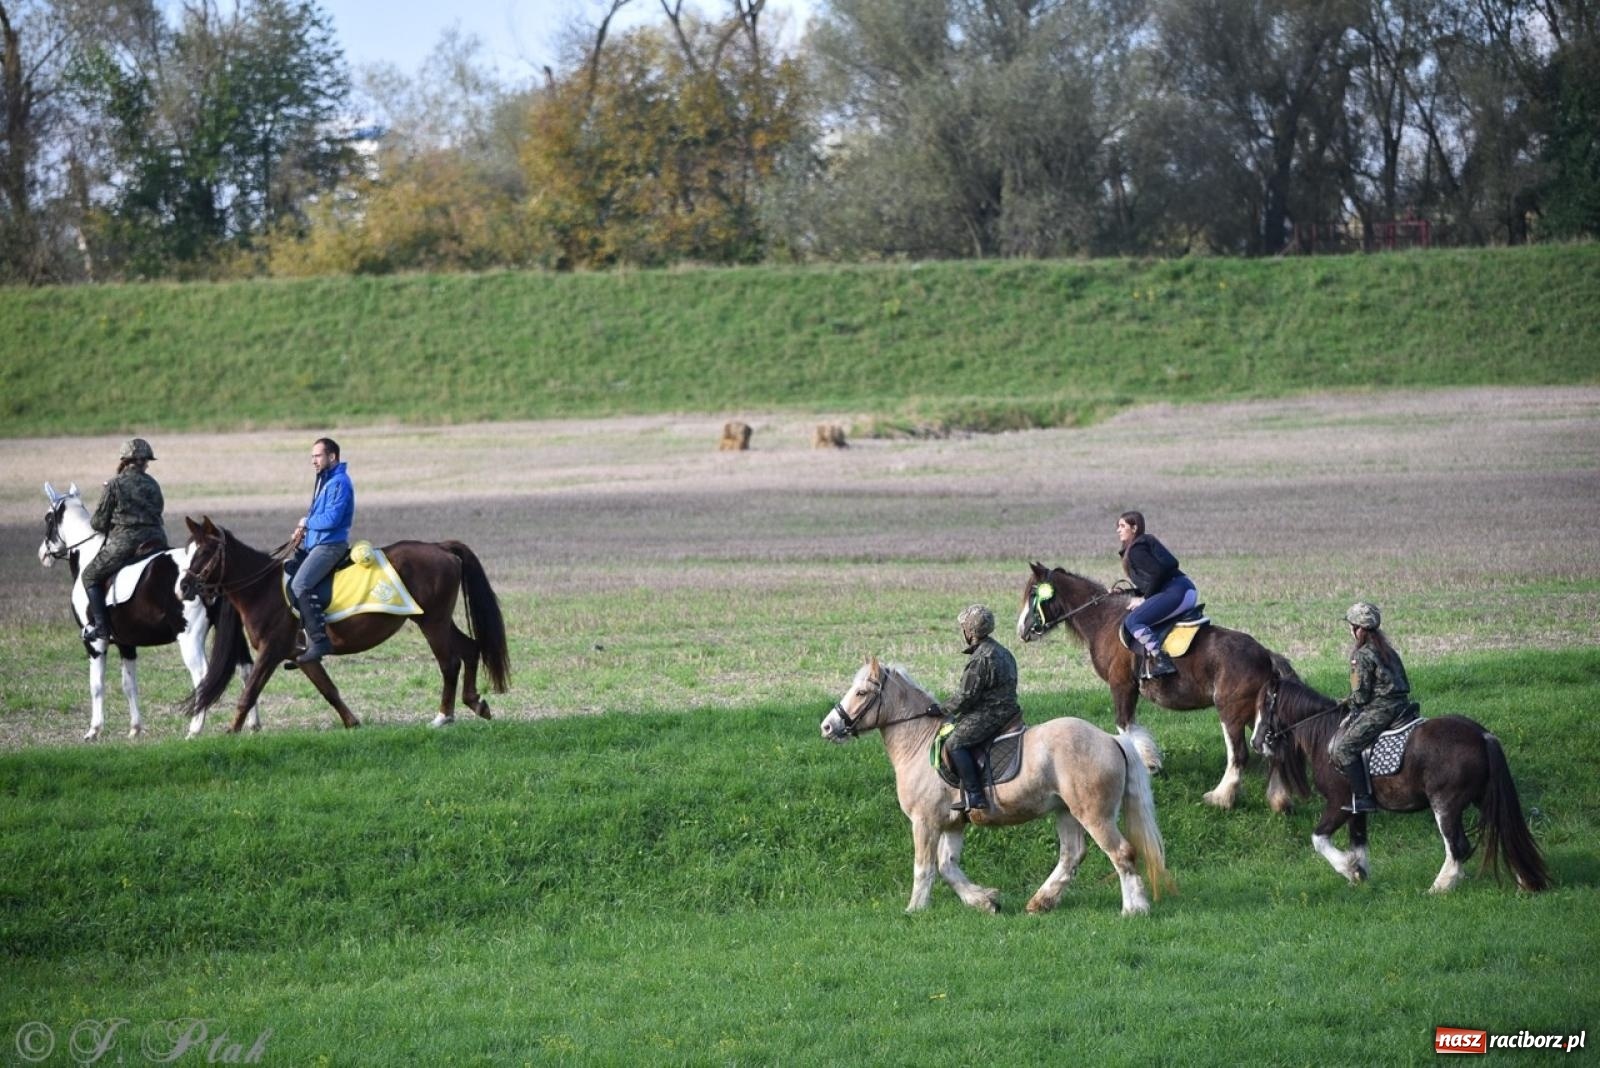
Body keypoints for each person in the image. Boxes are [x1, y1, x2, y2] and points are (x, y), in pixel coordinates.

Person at [931, 605, 1024, 813]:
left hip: (991, 714)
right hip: (1010, 710)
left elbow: (966, 697)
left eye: (964, 628)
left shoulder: (980, 658)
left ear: (970, 632)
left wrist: (941, 709)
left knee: (955, 743)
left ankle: (975, 795)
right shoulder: (1003, 651)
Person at [1327, 602, 1414, 814]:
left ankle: (1363, 798)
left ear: (1359, 629)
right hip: (1403, 705)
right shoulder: (1388, 651)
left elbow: (1361, 695)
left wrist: (1349, 702)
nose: (1350, 630)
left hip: (1381, 710)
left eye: (1351, 626)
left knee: (1344, 748)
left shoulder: (1361, 656)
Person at [80, 438, 168, 642]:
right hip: (157, 538)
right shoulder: (154, 484)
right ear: (146, 461)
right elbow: (159, 509)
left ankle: (101, 627)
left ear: (124, 460)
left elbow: (99, 523)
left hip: (127, 543)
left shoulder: (114, 485)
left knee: (90, 576)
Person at [289, 437, 355, 664]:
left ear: (332, 456)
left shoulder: (340, 483)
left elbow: (332, 519)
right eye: (312, 457)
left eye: (317, 456)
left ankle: (319, 641)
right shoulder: (325, 481)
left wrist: (306, 522)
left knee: (300, 584)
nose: (313, 461)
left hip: (331, 545)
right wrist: (303, 532)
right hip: (317, 543)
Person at [1116, 510, 1198, 679]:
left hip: (1176, 592)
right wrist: (1127, 592)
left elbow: (1158, 574)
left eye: (1122, 526)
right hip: (1184, 589)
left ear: (1134, 528)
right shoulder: (1143, 545)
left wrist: (1144, 599)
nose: (1118, 530)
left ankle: (1162, 661)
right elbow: (1153, 580)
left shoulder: (1136, 550)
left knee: (1134, 621)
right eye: (1118, 526)